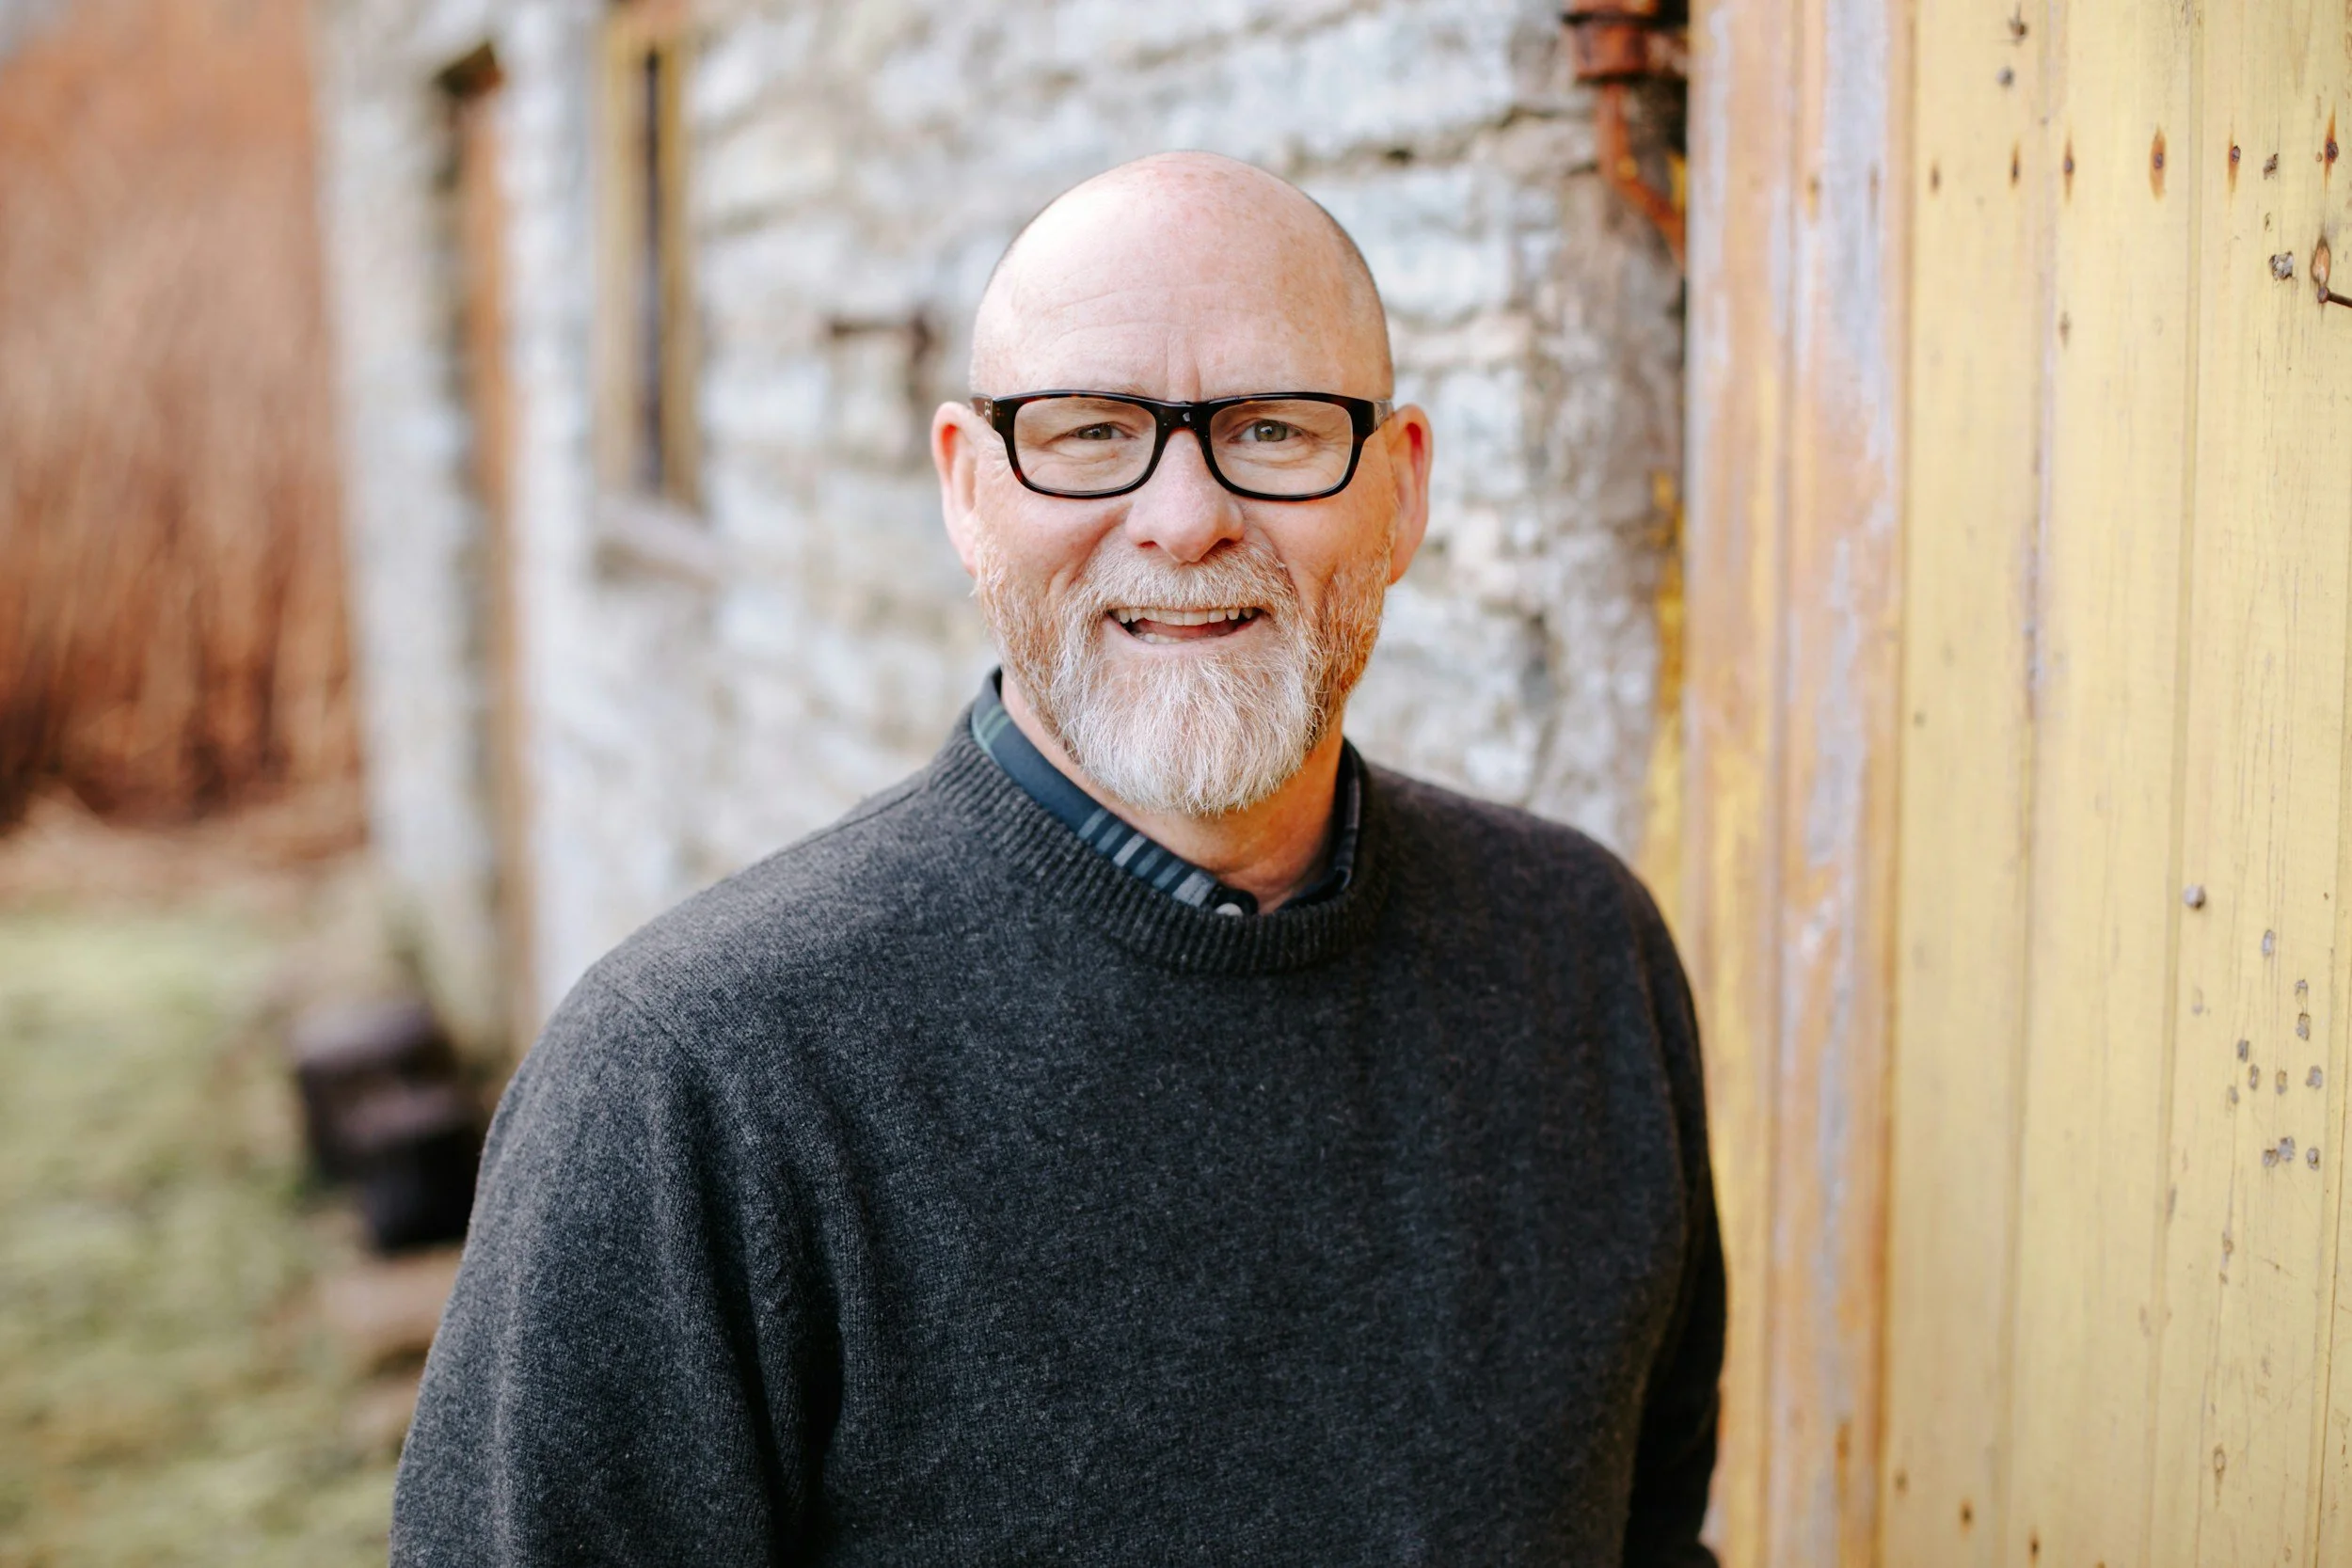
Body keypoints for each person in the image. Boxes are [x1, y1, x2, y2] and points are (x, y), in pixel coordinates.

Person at [391, 151, 1723, 1566]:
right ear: (968, 493)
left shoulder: (1582, 959)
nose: (1185, 515)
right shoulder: (690, 1086)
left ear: (1400, 493)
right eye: (1089, 432)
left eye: (1275, 429)